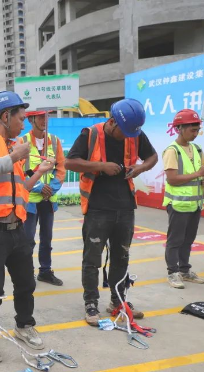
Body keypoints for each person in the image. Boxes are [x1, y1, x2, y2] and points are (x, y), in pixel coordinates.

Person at [0, 91, 54, 362]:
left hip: (18, 229)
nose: (24, 122)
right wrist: (14, 156)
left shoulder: (15, 146)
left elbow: (21, 190)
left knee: (26, 283)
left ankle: (24, 325)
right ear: (5, 116)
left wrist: (38, 173)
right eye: (20, 117)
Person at [65, 98, 158, 326]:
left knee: (121, 257)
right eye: (124, 132)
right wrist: (100, 166)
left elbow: (152, 157)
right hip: (98, 208)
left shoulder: (135, 133)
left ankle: (118, 302)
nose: (128, 137)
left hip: (125, 207)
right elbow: (69, 162)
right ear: (113, 122)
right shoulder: (91, 134)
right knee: (92, 259)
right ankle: (91, 303)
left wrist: (140, 168)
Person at [162, 109, 204, 288]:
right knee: (175, 240)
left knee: (188, 240)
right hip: (178, 204)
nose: (195, 133)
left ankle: (184, 270)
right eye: (192, 130)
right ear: (179, 128)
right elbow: (172, 179)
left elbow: (203, 174)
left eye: (197, 130)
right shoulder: (172, 151)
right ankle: (172, 272)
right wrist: (198, 174)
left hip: (195, 204)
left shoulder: (197, 149)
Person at [22, 110, 66, 286]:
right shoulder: (23, 142)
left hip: (48, 199)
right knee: (28, 240)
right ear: (31, 119)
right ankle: (26, 273)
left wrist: (52, 188)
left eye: (46, 116)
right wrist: (40, 187)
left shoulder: (54, 141)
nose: (44, 120)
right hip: (30, 200)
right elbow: (20, 171)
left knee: (47, 238)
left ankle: (45, 271)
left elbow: (61, 167)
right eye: (40, 117)